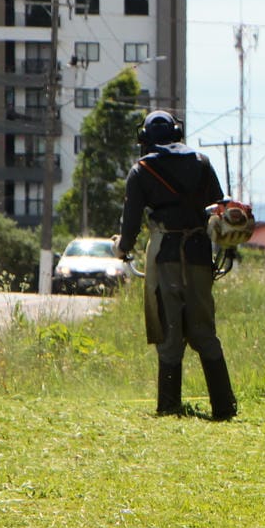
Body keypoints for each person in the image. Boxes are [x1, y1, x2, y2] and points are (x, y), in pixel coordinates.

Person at [113, 110, 238, 421]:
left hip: (165, 254)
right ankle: (224, 408)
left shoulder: (141, 170)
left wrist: (123, 248)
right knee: (204, 331)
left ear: (144, 138)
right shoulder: (202, 163)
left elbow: (130, 224)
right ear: (177, 132)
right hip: (198, 253)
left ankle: (169, 406)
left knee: (169, 330)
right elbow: (220, 210)